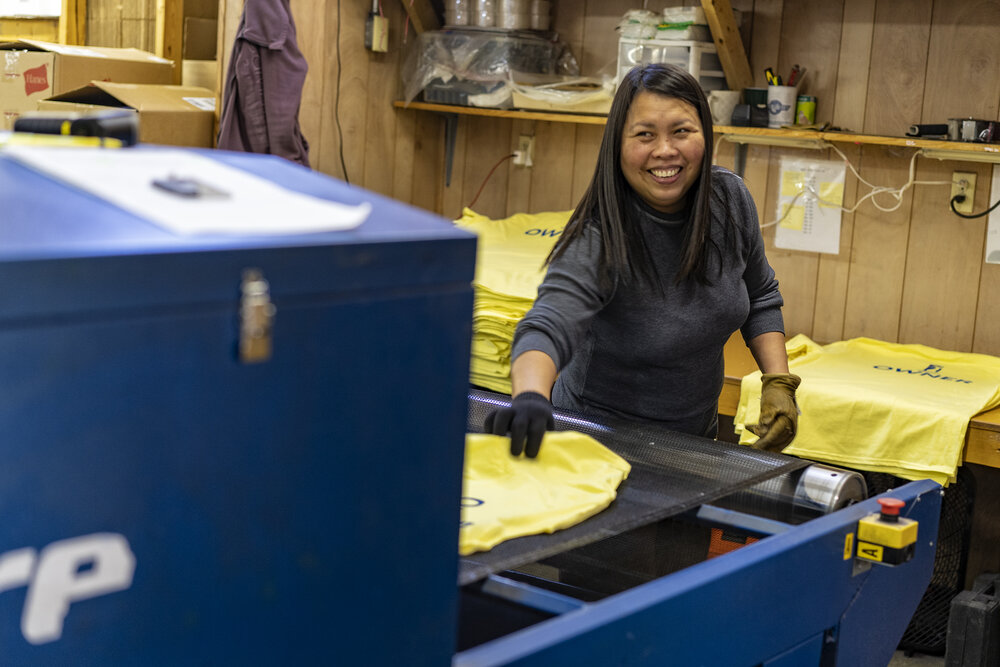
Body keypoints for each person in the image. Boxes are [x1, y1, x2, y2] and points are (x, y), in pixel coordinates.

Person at [485, 63, 800, 458]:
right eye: (645, 135)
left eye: (681, 131)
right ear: (618, 144)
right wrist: (531, 397)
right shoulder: (600, 236)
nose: (665, 150)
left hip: (692, 442)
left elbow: (761, 295)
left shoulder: (730, 200)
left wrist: (779, 383)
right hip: (594, 443)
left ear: (706, 133)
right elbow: (549, 325)